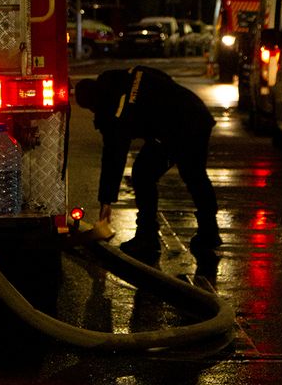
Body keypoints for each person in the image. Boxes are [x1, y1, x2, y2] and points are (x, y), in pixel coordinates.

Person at [74, 65, 221, 260]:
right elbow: (164, 77)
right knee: (195, 176)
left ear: (93, 103)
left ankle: (147, 237)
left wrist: (106, 201)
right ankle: (209, 231)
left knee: (143, 174)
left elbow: (113, 156)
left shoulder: (114, 112)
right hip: (195, 112)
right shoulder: (128, 74)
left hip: (179, 126)